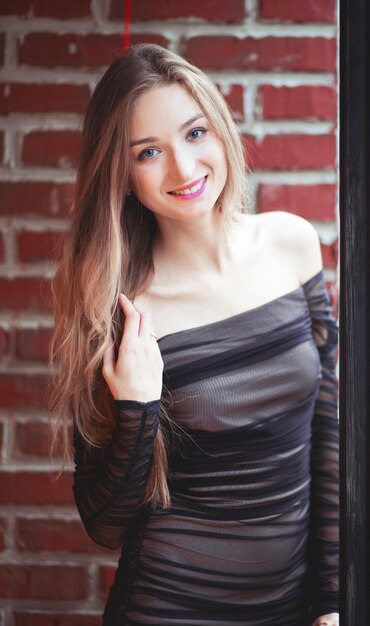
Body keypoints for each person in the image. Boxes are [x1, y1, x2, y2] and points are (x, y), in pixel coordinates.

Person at [49, 43, 339, 626]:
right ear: (123, 175)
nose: (183, 169)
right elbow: (104, 524)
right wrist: (137, 405)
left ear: (220, 130)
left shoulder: (290, 243)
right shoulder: (121, 309)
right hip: (170, 607)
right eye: (149, 151)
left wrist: (333, 599)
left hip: (292, 607)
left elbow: (328, 432)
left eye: (195, 133)